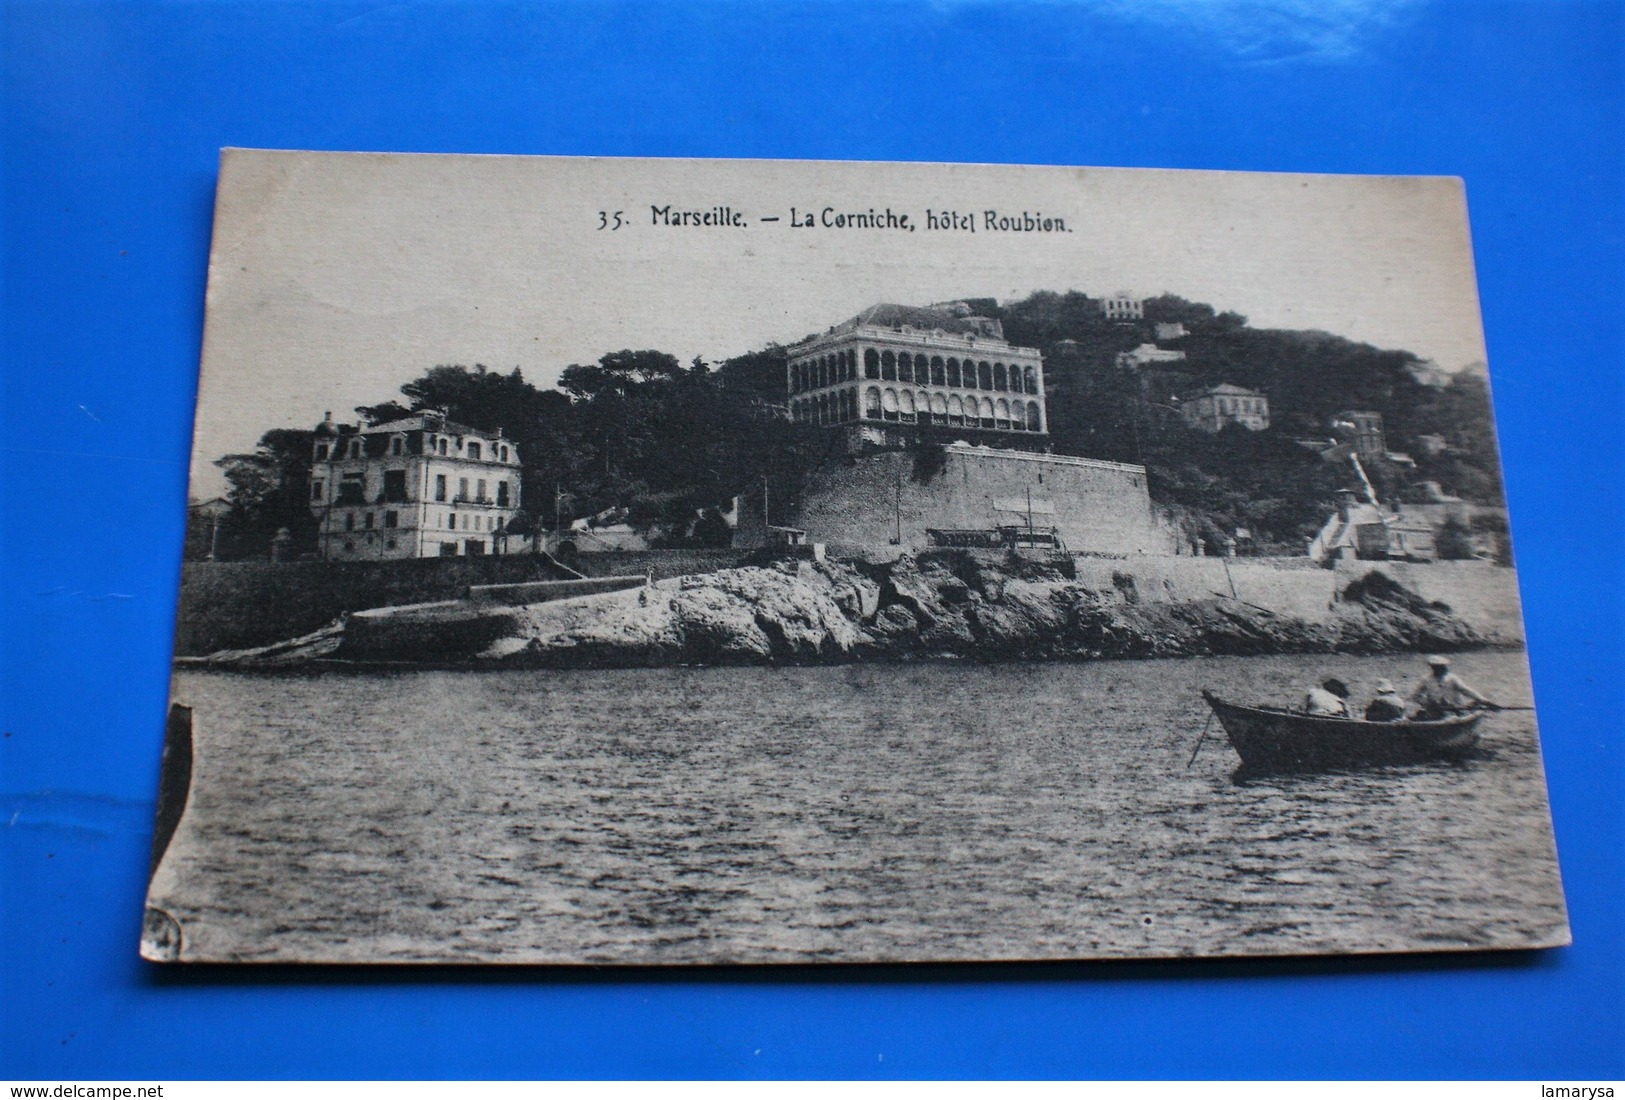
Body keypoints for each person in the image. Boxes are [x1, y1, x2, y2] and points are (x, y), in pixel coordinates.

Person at [1408, 655, 1492, 719]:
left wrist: (1483, 700)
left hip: (1455, 710)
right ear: (1433, 668)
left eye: (1442, 667)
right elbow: (1415, 696)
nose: (1441, 669)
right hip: (1435, 712)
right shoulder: (1426, 680)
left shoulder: (1452, 679)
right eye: (1436, 667)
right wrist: (1426, 704)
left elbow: (1466, 691)